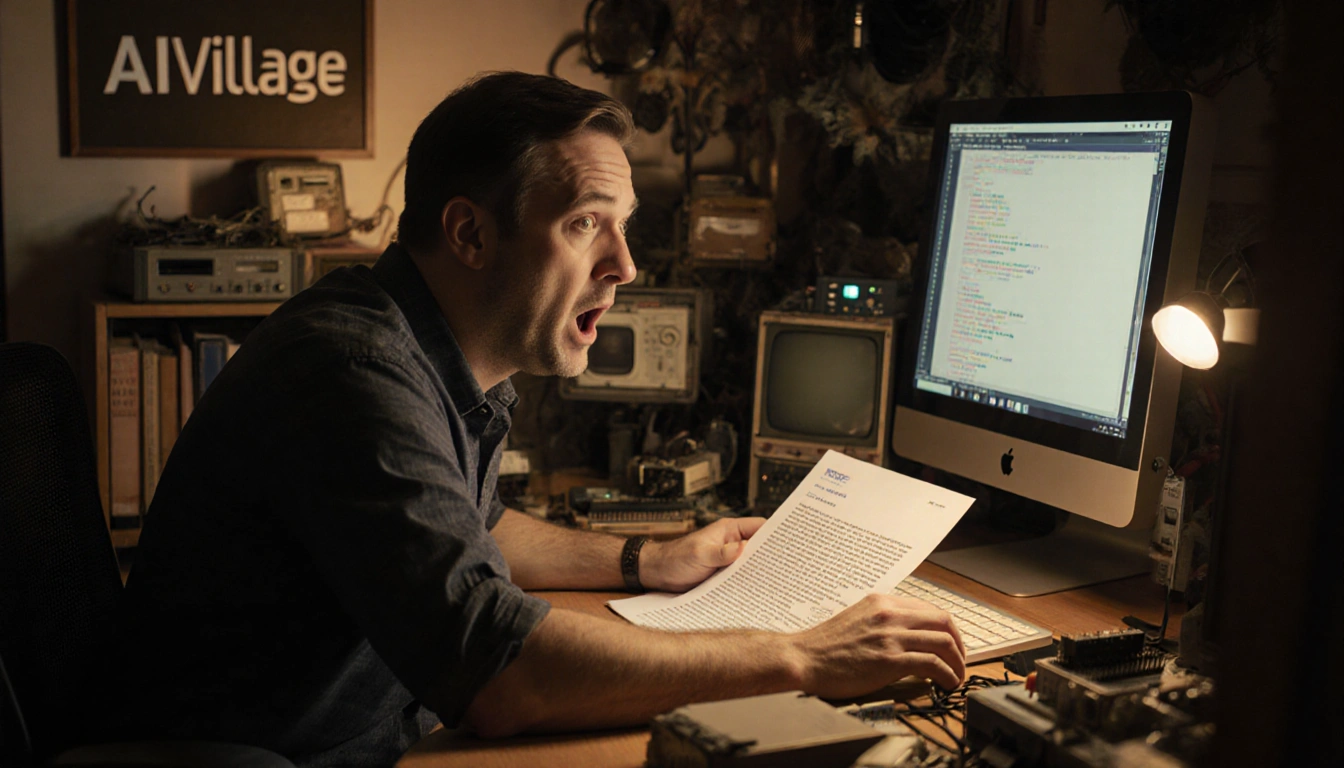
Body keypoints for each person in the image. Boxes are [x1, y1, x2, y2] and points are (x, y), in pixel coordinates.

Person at [101, 71, 966, 767]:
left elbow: (472, 527)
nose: (624, 265)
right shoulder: (353, 371)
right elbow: (500, 675)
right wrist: (804, 658)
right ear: (471, 234)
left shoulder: (423, 348)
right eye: (586, 223)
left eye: (622, 227)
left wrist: (648, 559)